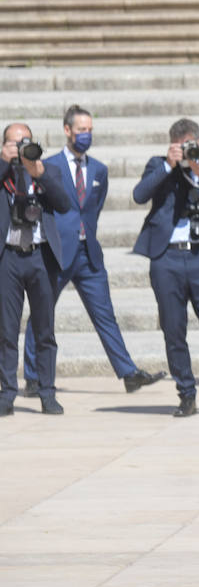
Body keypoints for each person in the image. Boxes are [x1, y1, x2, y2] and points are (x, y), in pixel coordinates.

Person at [22, 106, 163, 397]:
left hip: (88, 253)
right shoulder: (48, 165)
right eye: (81, 129)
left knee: (105, 314)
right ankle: (33, 377)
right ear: (67, 130)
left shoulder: (99, 169)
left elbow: (93, 208)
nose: (86, 135)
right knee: (42, 312)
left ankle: (127, 372)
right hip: (58, 252)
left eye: (90, 130)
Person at [131, 118, 199, 418]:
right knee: (173, 329)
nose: (185, 151)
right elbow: (139, 195)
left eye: (189, 145)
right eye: (179, 146)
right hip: (166, 257)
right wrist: (169, 165)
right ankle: (186, 394)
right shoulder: (158, 164)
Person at [0, 123, 75, 416]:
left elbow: (65, 203)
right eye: (14, 143)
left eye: (25, 142)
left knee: (45, 330)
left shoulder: (47, 171)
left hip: (40, 257)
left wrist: (39, 173)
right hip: (9, 258)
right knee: (7, 331)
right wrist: (5, 162)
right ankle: (7, 394)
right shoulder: (3, 172)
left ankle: (47, 393)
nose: (20, 148)